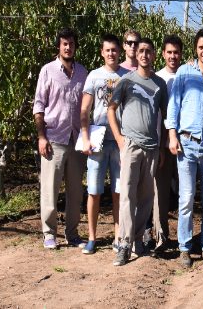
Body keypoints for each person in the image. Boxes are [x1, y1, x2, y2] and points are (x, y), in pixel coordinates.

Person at [166, 28, 203, 268]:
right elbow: (174, 106)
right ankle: (184, 248)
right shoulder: (184, 72)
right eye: (201, 47)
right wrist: (172, 135)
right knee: (187, 198)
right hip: (186, 144)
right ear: (196, 49)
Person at [107, 37, 168, 266]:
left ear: (154, 55)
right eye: (141, 50)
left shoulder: (160, 84)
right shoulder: (125, 81)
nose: (144, 54)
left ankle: (138, 241)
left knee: (145, 198)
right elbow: (111, 109)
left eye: (148, 51)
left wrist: (162, 147)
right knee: (127, 196)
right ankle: (123, 244)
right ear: (137, 54)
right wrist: (120, 139)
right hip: (131, 146)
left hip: (152, 148)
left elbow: (165, 118)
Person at [34, 28, 88, 250]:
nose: (68, 47)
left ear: (75, 46)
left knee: (76, 191)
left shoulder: (83, 73)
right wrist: (41, 136)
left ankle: (72, 234)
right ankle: (49, 233)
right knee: (50, 189)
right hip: (54, 138)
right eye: (64, 43)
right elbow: (39, 106)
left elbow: (88, 107)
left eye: (72, 44)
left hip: (76, 140)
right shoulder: (47, 71)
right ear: (59, 46)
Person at [79, 33, 129, 255]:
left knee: (119, 191)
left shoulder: (128, 76)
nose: (111, 53)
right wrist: (85, 137)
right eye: (107, 50)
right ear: (102, 52)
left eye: (114, 50)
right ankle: (92, 237)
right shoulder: (94, 76)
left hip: (119, 141)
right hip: (98, 141)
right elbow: (84, 109)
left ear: (120, 52)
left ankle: (119, 236)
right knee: (94, 191)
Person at [152, 34, 183, 253]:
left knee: (185, 191)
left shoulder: (186, 75)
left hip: (184, 142)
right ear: (163, 54)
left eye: (176, 52)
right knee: (160, 192)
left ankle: (184, 237)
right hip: (163, 142)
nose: (172, 56)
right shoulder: (157, 79)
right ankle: (161, 236)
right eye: (169, 52)